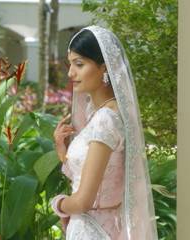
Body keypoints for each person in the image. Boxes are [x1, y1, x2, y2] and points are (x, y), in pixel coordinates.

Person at [51, 25, 158, 239]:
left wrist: (57, 203)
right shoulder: (108, 114)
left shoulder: (105, 120)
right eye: (70, 64)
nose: (71, 73)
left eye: (79, 64)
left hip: (92, 230)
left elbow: (83, 201)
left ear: (104, 68)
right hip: (101, 227)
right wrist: (63, 152)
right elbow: (100, 174)